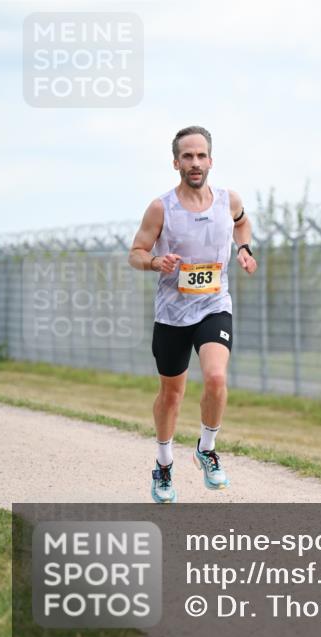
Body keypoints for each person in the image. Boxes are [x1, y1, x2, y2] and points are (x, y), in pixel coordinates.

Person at [127, 126, 257, 503]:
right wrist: (155, 262)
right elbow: (135, 252)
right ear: (176, 162)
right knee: (172, 394)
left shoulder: (228, 200)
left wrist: (244, 249)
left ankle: (207, 448)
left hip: (214, 305)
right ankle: (164, 464)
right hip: (172, 313)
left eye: (201, 156)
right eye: (188, 156)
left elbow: (242, 222)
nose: (195, 162)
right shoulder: (161, 207)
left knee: (216, 377)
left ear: (211, 160)